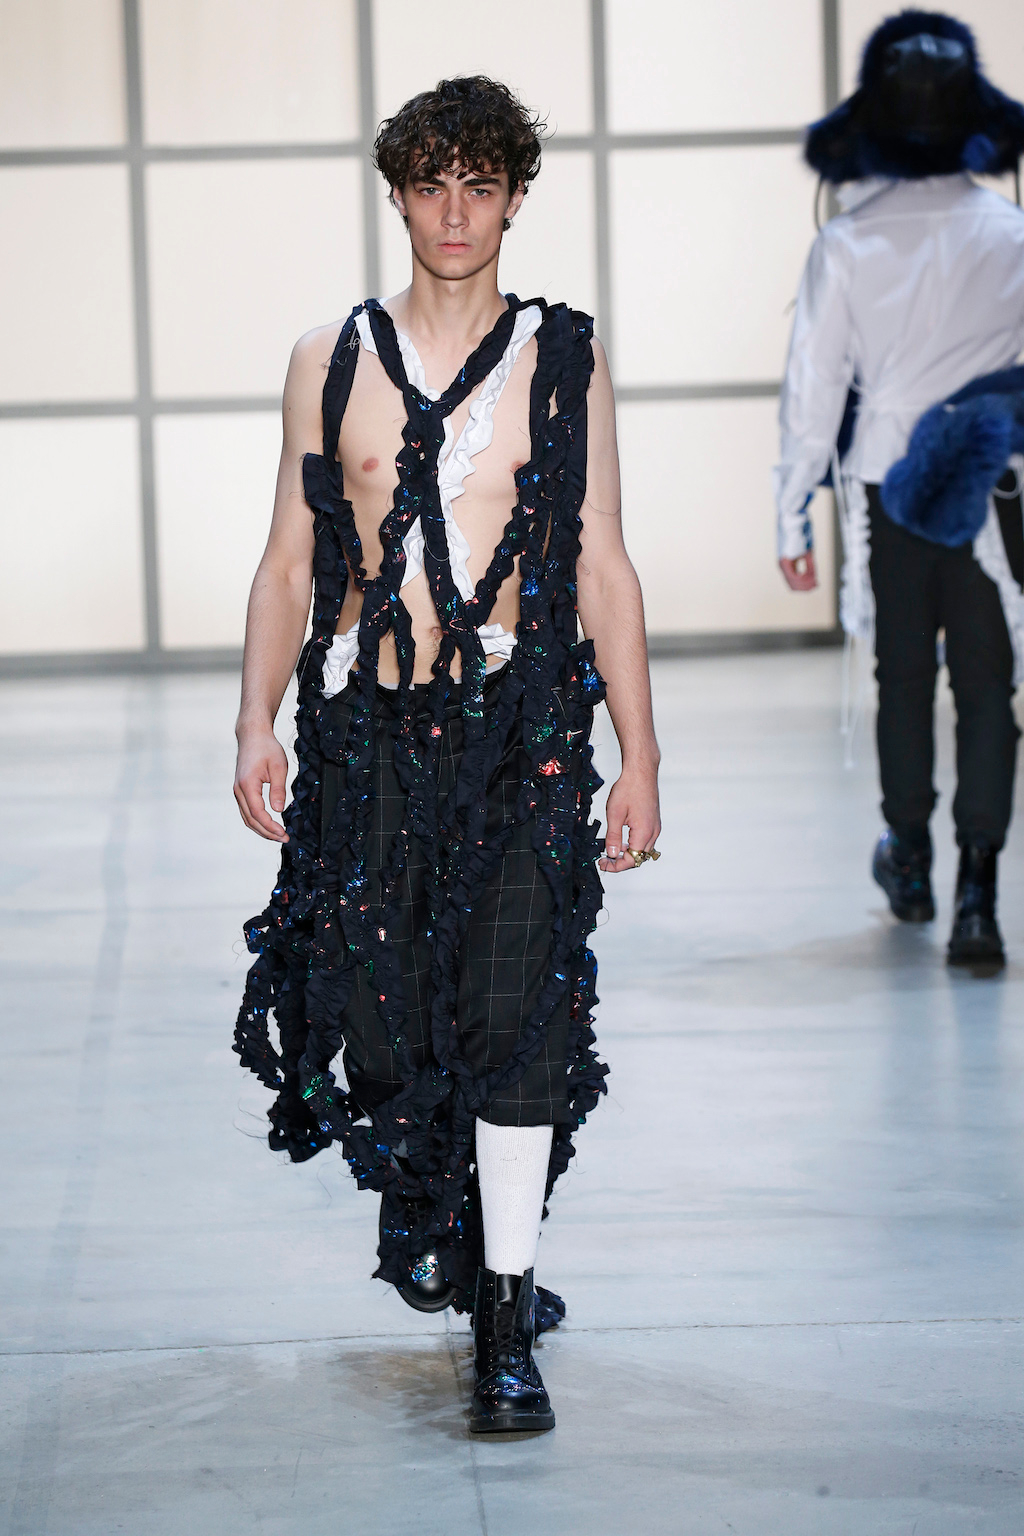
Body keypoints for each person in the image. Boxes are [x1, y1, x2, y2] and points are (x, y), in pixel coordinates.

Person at [231, 76, 661, 1433]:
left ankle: (505, 1320)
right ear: (399, 195)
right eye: (433, 183)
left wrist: (641, 755)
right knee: (379, 1023)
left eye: (482, 183)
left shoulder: (562, 357)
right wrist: (254, 723)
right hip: (369, 732)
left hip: (522, 731)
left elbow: (599, 558)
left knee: (516, 1014)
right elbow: (290, 560)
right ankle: (449, 1227)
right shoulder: (330, 358)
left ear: (516, 197)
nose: (457, 210)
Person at [775, 10, 1024, 966]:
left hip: (888, 486)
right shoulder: (1011, 236)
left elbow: (813, 390)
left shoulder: (847, 243)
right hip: (994, 488)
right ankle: (980, 896)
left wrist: (792, 514)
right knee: (991, 686)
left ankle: (911, 860)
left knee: (905, 678)